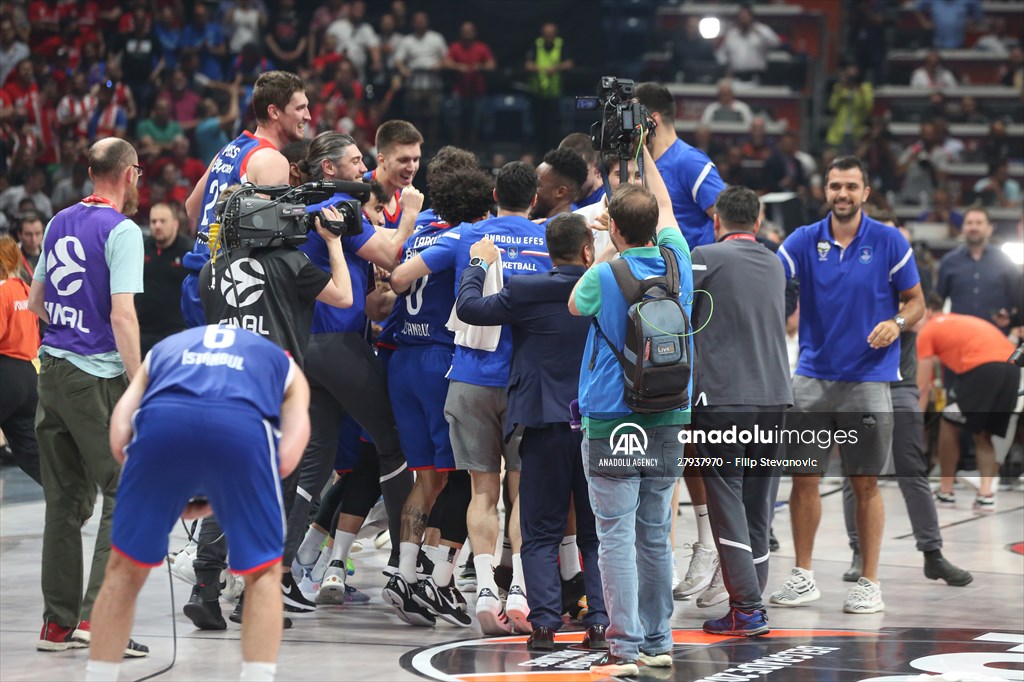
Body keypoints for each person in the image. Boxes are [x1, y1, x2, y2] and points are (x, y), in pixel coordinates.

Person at [85, 325, 311, 682]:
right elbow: (287, 458)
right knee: (263, 574)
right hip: (242, 429)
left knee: (123, 570)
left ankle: (98, 676)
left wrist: (166, 486)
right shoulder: (283, 362)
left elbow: (119, 435)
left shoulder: (164, 348)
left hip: (162, 428)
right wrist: (227, 490)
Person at [391, 162, 552, 635]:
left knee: (482, 492)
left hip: (469, 379)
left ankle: (483, 590)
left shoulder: (465, 235)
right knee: (522, 491)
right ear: (535, 199)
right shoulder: (548, 237)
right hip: (526, 383)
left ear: (495, 194)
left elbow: (400, 277)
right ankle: (518, 590)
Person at [184, 186, 353, 627]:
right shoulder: (290, 262)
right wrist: (334, 242)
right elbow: (343, 296)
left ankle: (205, 588)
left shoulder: (210, 270)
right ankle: (254, 599)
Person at [771, 156, 925, 615]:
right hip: (812, 377)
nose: (842, 193)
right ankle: (802, 576)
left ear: (866, 192)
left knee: (866, 483)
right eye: (836, 185)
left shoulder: (888, 240)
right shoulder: (804, 239)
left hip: (869, 380)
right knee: (803, 479)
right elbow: (769, 277)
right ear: (825, 190)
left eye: (851, 186)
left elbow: (916, 302)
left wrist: (897, 323)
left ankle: (869, 582)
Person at [456, 213, 609, 651]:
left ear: (549, 251)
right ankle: (600, 623)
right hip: (598, 425)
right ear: (587, 251)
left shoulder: (526, 289)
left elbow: (470, 309)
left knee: (540, 531)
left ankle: (543, 627)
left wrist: (478, 264)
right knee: (596, 533)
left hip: (543, 425)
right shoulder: (606, 287)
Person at [279, 131, 417, 613]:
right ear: (330, 168)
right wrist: (411, 213)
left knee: (314, 463)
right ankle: (404, 569)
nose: (363, 168)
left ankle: (278, 574)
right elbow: (393, 253)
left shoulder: (305, 206)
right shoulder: (339, 206)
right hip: (338, 346)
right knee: (392, 443)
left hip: (307, 348)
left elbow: (370, 298)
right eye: (356, 161)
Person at [569, 145, 692, 677]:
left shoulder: (605, 274)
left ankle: (623, 648)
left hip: (611, 417)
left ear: (615, 227)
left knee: (615, 534)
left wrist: (604, 247)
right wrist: (642, 146)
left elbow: (574, 304)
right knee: (654, 531)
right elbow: (667, 209)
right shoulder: (678, 262)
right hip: (669, 414)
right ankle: (659, 640)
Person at [26, 138, 148, 656]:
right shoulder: (122, 230)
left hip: (50, 372)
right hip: (92, 377)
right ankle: (98, 621)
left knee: (64, 502)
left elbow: (36, 300)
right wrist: (139, 384)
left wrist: (69, 330)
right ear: (129, 173)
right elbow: (122, 316)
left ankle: (57, 626)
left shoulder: (58, 221)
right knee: (126, 487)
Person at [375, 161, 493, 628]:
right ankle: (438, 578)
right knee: (463, 474)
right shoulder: (463, 237)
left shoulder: (421, 227)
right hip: (439, 362)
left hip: (402, 359)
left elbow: (394, 275)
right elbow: (401, 279)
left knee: (425, 477)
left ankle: (403, 573)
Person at [840, 211, 973, 588]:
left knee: (912, 468)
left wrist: (891, 317)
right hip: (860, 381)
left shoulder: (914, 272)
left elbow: (919, 318)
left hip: (899, 383)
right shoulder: (851, 268)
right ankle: (858, 552)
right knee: (857, 473)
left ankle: (933, 554)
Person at [686, 186, 792, 637]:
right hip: (775, 397)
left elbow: (677, 313)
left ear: (717, 220)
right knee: (758, 504)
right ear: (759, 220)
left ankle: (746, 608)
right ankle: (752, 600)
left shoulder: (704, 257)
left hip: (723, 398)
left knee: (726, 500)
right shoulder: (776, 262)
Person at [181, 70, 311, 328]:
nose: (307, 116)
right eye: (300, 108)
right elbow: (267, 240)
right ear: (274, 112)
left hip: (197, 278)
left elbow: (192, 208)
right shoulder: (272, 159)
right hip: (229, 283)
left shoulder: (229, 149)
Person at [918, 297, 1021, 512]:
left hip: (983, 368)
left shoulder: (928, 330)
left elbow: (922, 387)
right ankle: (986, 495)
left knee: (948, 422)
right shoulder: (958, 320)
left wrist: (914, 423)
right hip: (1011, 369)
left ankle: (946, 491)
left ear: (927, 311)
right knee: (983, 433)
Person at [635, 82, 726, 250]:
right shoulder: (636, 163)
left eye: (633, 116)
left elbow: (728, 220)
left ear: (653, 120)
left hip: (691, 263)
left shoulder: (690, 161)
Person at [936, 206, 1021, 333]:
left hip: (996, 336)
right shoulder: (949, 261)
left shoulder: (1005, 261)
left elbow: (1018, 302)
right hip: (958, 335)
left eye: (979, 223)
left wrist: (1013, 324)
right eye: (969, 223)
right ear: (963, 228)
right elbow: (937, 302)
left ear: (990, 228)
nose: (974, 227)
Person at [0, 234, 41, 484]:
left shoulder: (2, 291)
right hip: (28, 376)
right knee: (30, 451)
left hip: (5, 372)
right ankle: (71, 495)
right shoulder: (25, 290)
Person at [136, 203, 189, 356]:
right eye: (153, 221)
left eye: (162, 221)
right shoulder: (140, 248)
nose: (157, 226)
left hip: (175, 333)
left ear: (175, 224)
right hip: (142, 332)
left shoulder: (189, 251)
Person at [393, 12, 446, 144]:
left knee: (433, 116)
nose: (420, 23)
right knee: (416, 117)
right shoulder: (407, 40)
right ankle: (418, 144)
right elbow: (398, 59)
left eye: (422, 20)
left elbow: (446, 58)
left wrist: (439, 65)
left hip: (432, 84)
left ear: (427, 21)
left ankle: (432, 144)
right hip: (414, 85)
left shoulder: (436, 38)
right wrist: (403, 69)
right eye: (417, 20)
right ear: (413, 23)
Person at [364, 120, 423, 230]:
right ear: (382, 160)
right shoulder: (359, 192)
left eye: (415, 159)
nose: (412, 168)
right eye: (404, 160)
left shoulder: (408, 196)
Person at [444, 21, 495, 148]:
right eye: (465, 31)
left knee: (475, 122)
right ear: (460, 33)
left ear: (475, 32)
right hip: (459, 91)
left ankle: (473, 149)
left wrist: (481, 66)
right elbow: (446, 63)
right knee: (456, 121)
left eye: (470, 30)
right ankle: (455, 148)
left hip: (477, 92)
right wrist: (458, 67)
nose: (467, 33)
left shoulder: (481, 47)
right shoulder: (455, 47)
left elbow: (492, 65)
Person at [526, 23, 573, 155]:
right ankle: (538, 153)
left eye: (551, 34)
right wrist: (541, 69)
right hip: (537, 93)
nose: (549, 37)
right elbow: (528, 64)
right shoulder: (536, 44)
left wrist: (556, 69)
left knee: (553, 126)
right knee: (538, 126)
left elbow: (569, 64)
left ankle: (553, 152)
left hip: (554, 94)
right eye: (546, 34)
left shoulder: (561, 45)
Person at [715, 6, 781, 83]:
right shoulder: (732, 34)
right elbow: (721, 55)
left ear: (751, 18)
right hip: (736, 76)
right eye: (742, 18)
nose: (744, 20)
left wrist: (759, 31)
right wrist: (726, 69)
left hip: (757, 75)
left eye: (746, 17)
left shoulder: (761, 30)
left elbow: (776, 43)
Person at [530, 148, 589, 221]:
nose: (529, 189)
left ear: (560, 192)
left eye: (537, 184)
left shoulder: (542, 228)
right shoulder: (580, 217)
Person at [559, 132, 606, 210]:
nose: (569, 181)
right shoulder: (558, 205)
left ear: (596, 170)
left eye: (576, 171)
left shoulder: (608, 203)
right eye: (564, 172)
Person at [915, 0, 983, 50]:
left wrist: (972, 24)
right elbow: (917, 8)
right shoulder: (934, 1)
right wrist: (925, 22)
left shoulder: (966, 1)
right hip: (938, 43)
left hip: (959, 42)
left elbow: (978, 13)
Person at [14, 211, 44, 282]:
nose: (33, 239)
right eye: (28, 234)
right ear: (19, 235)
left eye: (37, 233)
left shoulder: (50, 253)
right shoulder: (13, 256)